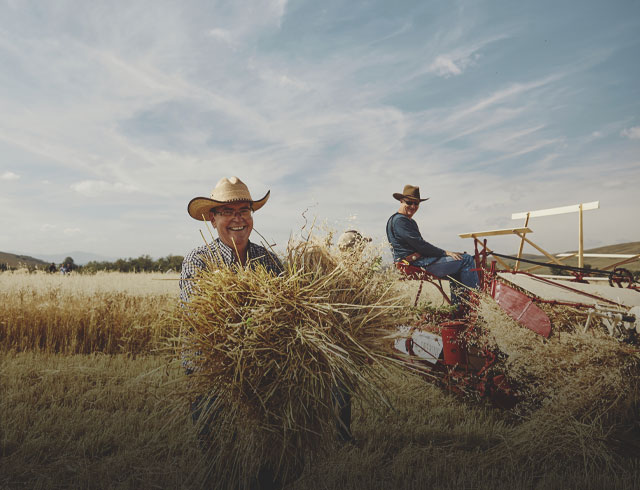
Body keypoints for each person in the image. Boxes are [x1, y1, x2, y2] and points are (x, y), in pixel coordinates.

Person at [386, 184, 479, 307]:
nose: (413, 206)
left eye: (416, 203)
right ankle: (476, 306)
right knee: (466, 259)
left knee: (457, 269)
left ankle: (459, 311)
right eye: (409, 202)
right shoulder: (400, 221)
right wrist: (445, 252)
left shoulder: (404, 220)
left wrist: (448, 254)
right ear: (401, 201)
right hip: (416, 264)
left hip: (415, 263)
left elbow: (420, 246)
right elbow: (421, 245)